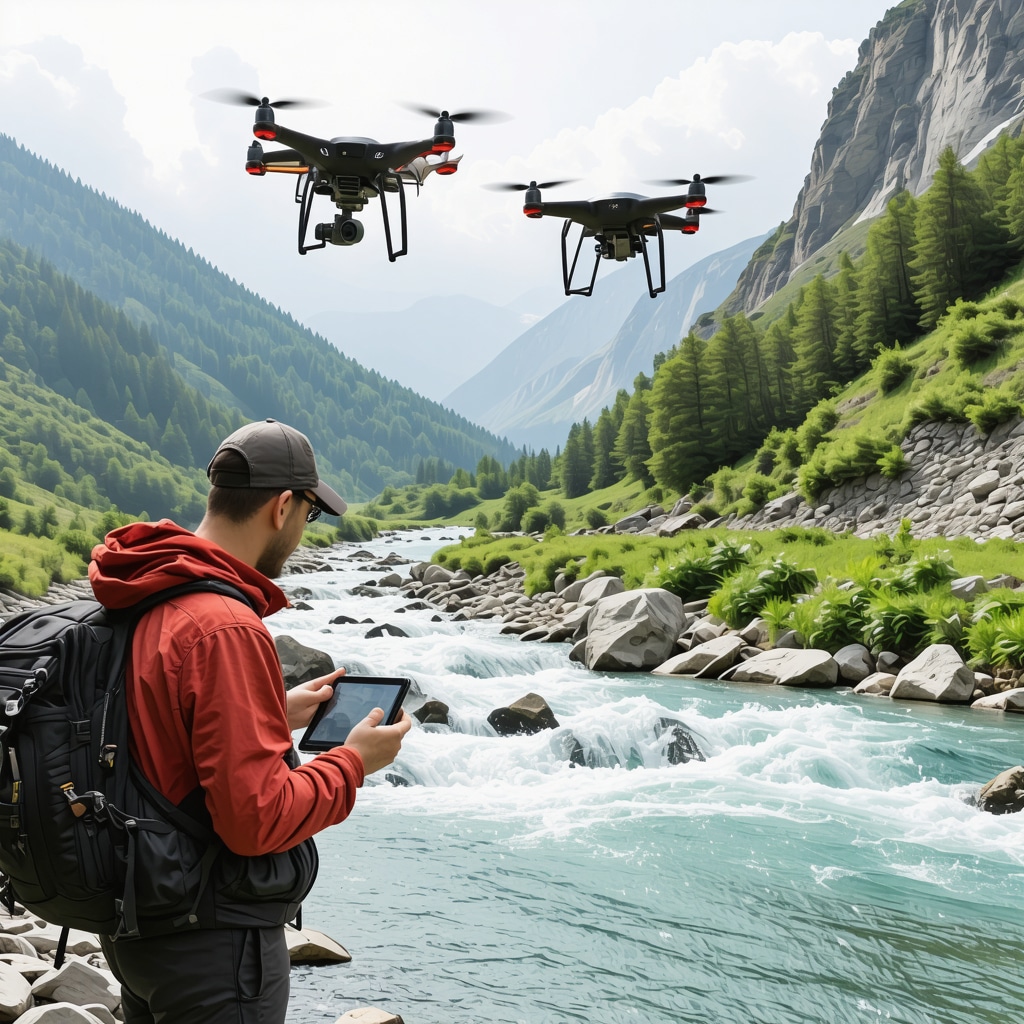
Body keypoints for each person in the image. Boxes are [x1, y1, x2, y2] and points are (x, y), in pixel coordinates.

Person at [88, 418, 411, 1024]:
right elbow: (255, 822)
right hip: (214, 942)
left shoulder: (144, 588)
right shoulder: (224, 624)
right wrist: (353, 762)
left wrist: (269, 715)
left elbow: (149, 729)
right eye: (309, 516)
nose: (302, 533)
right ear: (283, 506)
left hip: (139, 923)